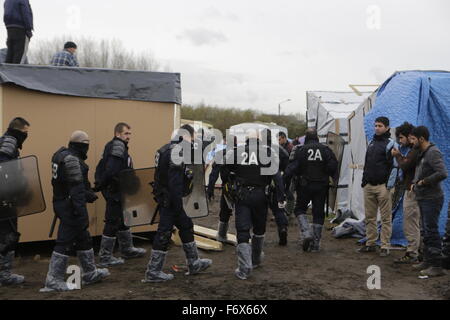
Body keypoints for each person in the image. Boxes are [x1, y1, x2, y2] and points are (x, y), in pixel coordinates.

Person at [41, 131, 109, 292]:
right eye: (87, 145)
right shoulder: (72, 160)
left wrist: (89, 194)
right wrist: (81, 212)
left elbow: (64, 183)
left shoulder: (60, 155)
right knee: (64, 241)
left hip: (63, 202)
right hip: (70, 206)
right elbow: (76, 190)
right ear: (82, 145)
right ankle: (53, 280)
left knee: (83, 238)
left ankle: (90, 273)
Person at [143, 124, 212, 283]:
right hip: (173, 200)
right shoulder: (178, 151)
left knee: (186, 226)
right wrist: (178, 204)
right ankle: (153, 272)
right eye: (193, 137)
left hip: (168, 198)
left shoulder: (164, 149)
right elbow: (174, 182)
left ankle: (194, 263)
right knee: (164, 233)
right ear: (187, 136)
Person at [224, 130, 285, 280]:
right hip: (261, 195)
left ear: (246, 140)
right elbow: (277, 177)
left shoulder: (236, 152)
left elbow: (224, 170)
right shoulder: (268, 153)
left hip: (242, 194)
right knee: (259, 229)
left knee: (243, 230)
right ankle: (256, 260)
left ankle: (245, 268)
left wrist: (229, 184)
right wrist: (280, 196)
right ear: (259, 139)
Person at [96, 123, 146, 267]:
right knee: (112, 221)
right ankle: (105, 257)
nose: (129, 136)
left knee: (124, 218)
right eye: (126, 133)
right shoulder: (118, 146)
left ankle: (127, 249)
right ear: (118, 134)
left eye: (130, 133)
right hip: (115, 191)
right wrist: (113, 185)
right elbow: (112, 170)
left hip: (117, 190)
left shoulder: (113, 145)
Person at [284, 128, 338, 253]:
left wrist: (284, 182)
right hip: (321, 186)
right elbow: (333, 166)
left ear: (306, 137)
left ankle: (306, 232)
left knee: (299, 209)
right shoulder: (326, 150)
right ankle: (316, 244)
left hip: (304, 185)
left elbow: (292, 168)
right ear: (317, 137)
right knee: (318, 213)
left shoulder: (300, 150)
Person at [409, 126, 448, 277]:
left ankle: (437, 266)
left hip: (432, 198)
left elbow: (442, 173)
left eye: (413, 139)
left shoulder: (433, 152)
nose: (411, 142)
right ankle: (427, 260)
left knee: (431, 230)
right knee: (425, 230)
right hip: (423, 197)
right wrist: (415, 182)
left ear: (421, 139)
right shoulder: (422, 153)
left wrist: (424, 182)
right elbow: (420, 172)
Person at [358, 117, 396, 257]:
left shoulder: (391, 144)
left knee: (386, 218)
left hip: (383, 187)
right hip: (369, 185)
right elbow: (367, 163)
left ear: (387, 127)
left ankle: (385, 246)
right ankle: (371, 243)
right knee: (370, 217)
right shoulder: (372, 143)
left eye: (380, 126)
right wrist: (364, 182)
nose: (377, 128)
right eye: (375, 125)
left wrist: (388, 185)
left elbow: (394, 167)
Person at [0, 117, 29, 285]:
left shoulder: (5, 141)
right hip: (6, 199)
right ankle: (4, 275)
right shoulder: (9, 144)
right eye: (25, 132)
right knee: (8, 235)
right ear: (17, 131)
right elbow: (4, 169)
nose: (26, 136)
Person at [391, 122, 421, 264]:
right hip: (415, 189)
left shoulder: (414, 151)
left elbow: (405, 165)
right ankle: (416, 250)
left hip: (412, 190)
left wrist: (397, 156)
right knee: (415, 222)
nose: (400, 140)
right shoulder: (415, 150)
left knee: (410, 222)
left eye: (402, 137)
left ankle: (412, 252)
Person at [207, 136, 237, 243]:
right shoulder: (244, 153)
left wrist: (210, 189)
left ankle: (221, 235)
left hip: (228, 187)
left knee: (225, 211)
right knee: (241, 212)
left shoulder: (221, 153)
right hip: (240, 187)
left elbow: (213, 174)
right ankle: (242, 238)